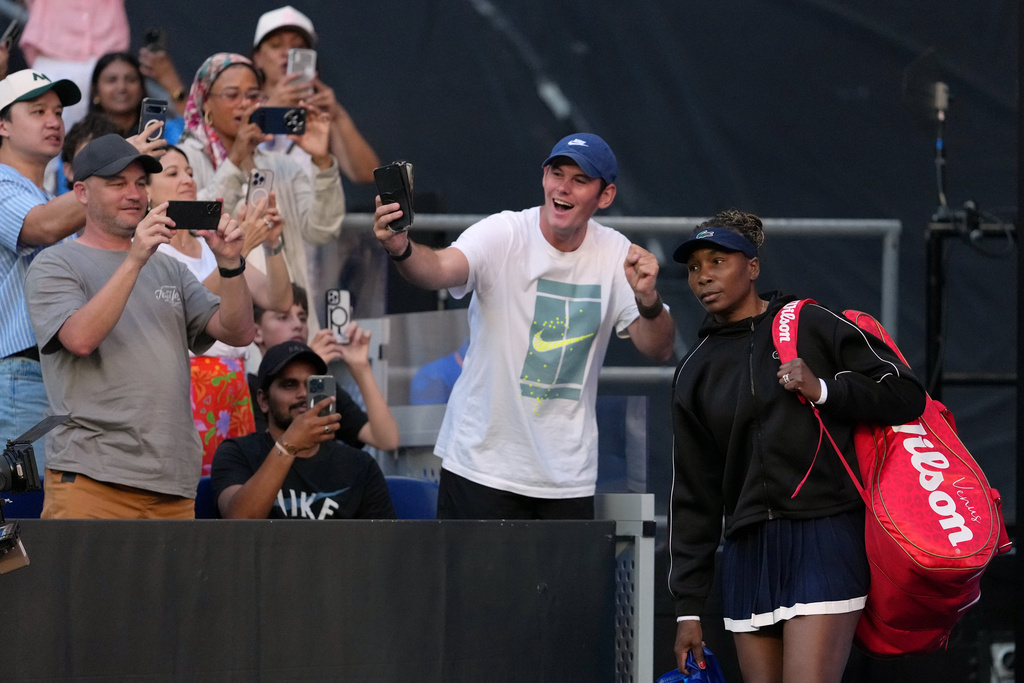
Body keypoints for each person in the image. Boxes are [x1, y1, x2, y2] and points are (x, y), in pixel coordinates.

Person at [667, 210, 927, 682]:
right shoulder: (694, 370)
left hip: (823, 536)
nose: (703, 276)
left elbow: (904, 393)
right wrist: (688, 608)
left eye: (718, 261)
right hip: (747, 553)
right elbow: (694, 496)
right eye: (694, 267)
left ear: (752, 266)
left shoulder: (806, 321)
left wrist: (825, 389)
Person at [373, 132, 675, 519]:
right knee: (475, 582)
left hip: (567, 476)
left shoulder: (616, 252)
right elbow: (438, 269)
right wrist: (402, 248)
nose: (562, 188)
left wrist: (648, 300)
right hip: (481, 466)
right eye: (557, 173)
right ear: (544, 177)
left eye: (580, 180)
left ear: (606, 196)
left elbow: (658, 348)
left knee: (563, 583)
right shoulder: (504, 232)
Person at [24, 134, 255, 519]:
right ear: (81, 192)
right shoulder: (55, 264)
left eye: (141, 183)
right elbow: (80, 339)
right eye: (117, 184)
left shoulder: (169, 268)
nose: (134, 194)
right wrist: (134, 260)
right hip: (92, 477)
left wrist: (231, 264)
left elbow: (238, 332)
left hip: (172, 480)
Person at [149, 144, 293, 475]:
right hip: (183, 384)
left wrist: (272, 245)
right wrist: (238, 253)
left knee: (231, 487)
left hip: (233, 385)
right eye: (172, 173)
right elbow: (184, 309)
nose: (186, 179)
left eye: (188, 171)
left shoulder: (207, 244)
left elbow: (279, 300)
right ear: (145, 189)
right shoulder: (148, 249)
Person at [178, 52, 344, 333]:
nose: (245, 104)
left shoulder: (283, 165)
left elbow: (322, 230)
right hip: (220, 320)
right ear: (206, 102)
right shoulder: (183, 161)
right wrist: (235, 161)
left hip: (287, 314)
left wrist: (322, 162)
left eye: (254, 95)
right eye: (232, 95)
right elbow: (192, 226)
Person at [0, 68, 85, 474]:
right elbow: (41, 227)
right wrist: (110, 177)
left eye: (58, 111)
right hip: (17, 371)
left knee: (48, 516)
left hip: (57, 375)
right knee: (22, 513)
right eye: (37, 111)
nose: (54, 120)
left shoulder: (51, 197)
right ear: (2, 124)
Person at [212, 340, 396, 520]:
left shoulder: (360, 465)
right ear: (263, 400)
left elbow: (384, 544)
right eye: (289, 385)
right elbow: (240, 520)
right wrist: (288, 446)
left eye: (313, 385)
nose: (303, 394)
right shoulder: (236, 453)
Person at [250, 283, 400, 452]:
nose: (298, 325)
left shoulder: (323, 386)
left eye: (302, 317)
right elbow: (259, 453)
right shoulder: (243, 388)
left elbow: (387, 440)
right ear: (256, 333)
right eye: (283, 317)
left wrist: (361, 367)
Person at [251, 5, 380, 184]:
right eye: (276, 45)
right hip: (258, 208)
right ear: (257, 58)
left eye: (297, 47)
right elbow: (231, 162)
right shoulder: (242, 104)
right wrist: (270, 111)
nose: (287, 53)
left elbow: (367, 174)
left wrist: (338, 116)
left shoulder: (317, 110)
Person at [86, 52, 185, 143]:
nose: (122, 88)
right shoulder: (84, 137)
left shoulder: (161, 132)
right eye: (111, 80)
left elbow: (194, 133)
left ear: (142, 87)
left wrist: (174, 86)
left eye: (131, 79)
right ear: (95, 90)